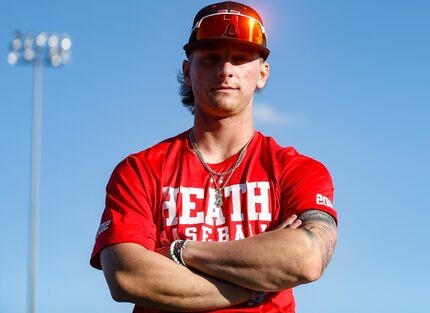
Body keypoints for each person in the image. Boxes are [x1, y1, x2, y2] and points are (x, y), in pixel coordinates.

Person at [90, 1, 338, 312]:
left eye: (240, 58)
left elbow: (307, 258)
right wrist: (257, 284)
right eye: (210, 58)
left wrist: (182, 251)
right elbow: (127, 277)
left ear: (262, 73)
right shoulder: (140, 170)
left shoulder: (297, 170)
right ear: (187, 72)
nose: (225, 70)